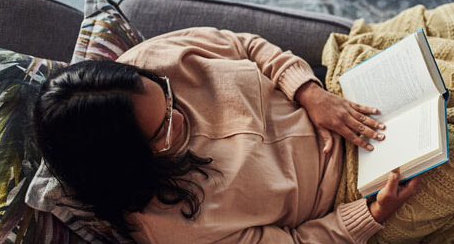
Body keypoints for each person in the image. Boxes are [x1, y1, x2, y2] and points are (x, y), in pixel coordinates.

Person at [33, 27, 421, 243]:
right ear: (128, 165)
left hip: (338, 90)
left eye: (168, 97)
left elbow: (245, 46)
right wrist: (370, 215)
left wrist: (310, 93)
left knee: (453, 45)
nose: (180, 118)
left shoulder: (149, 61)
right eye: (164, 129)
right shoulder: (169, 228)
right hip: (353, 193)